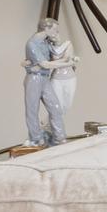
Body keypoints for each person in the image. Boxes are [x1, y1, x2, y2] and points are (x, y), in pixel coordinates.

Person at [23, 16, 78, 146]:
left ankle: (59, 138)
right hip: (34, 78)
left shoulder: (46, 43)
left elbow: (50, 61)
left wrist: (67, 59)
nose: (56, 32)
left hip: (45, 78)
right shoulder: (32, 43)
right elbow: (45, 64)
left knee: (56, 108)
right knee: (32, 110)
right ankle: (36, 138)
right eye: (55, 30)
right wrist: (66, 63)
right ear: (46, 29)